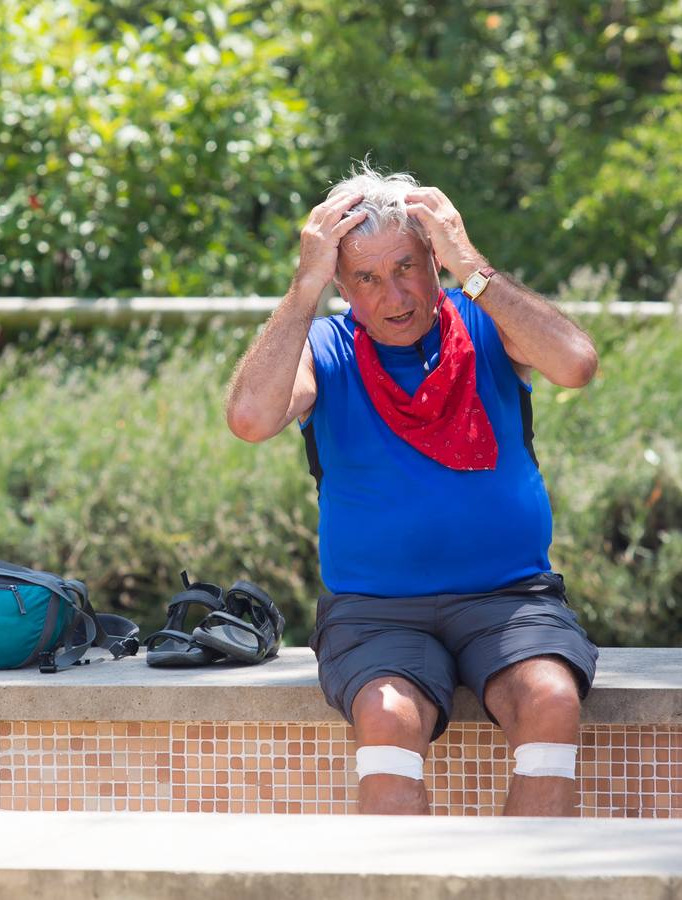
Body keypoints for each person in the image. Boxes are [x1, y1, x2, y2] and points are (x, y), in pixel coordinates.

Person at [224, 164, 600, 816]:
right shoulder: (324, 345)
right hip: (375, 610)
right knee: (386, 712)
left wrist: (468, 264)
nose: (392, 296)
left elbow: (575, 363)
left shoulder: (483, 321)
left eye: (406, 267)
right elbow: (251, 419)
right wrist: (304, 285)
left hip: (507, 600)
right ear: (342, 284)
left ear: (432, 259)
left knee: (550, 698)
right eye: (365, 279)